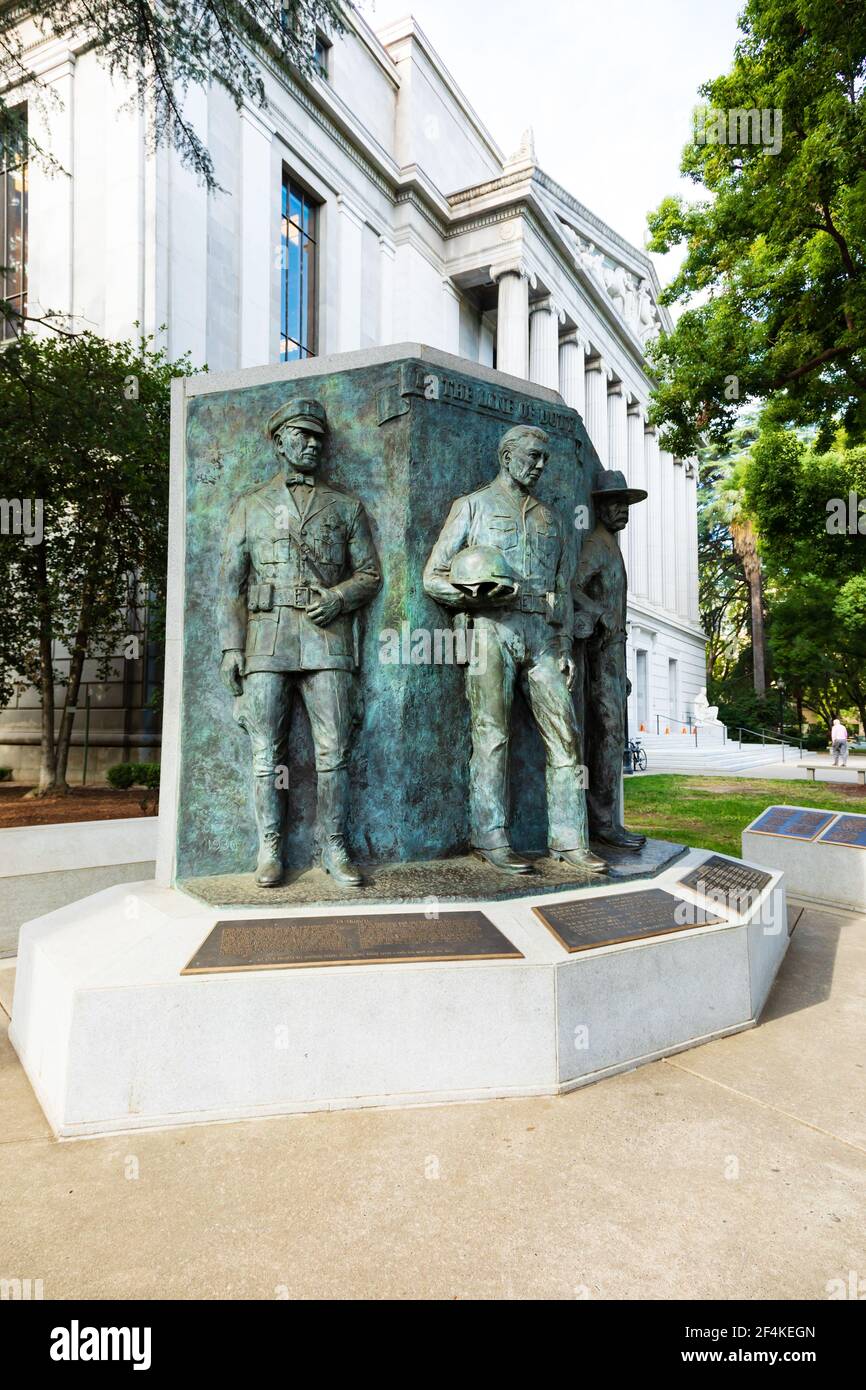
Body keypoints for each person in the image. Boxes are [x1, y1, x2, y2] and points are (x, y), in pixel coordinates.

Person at [423, 424, 605, 876]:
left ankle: (569, 841)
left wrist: (563, 643)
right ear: (507, 457)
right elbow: (433, 576)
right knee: (492, 735)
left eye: (544, 458)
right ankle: (490, 836)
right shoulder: (472, 506)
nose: (539, 465)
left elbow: (561, 589)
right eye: (532, 456)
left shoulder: (551, 520)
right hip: (491, 630)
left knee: (565, 737)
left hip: (543, 635)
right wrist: (472, 598)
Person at [218, 398, 381, 887]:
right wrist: (232, 648)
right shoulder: (248, 506)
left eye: (318, 437)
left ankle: (334, 846)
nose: (311, 444)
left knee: (335, 752)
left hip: (327, 640)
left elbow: (369, 575)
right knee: (266, 752)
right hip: (265, 640)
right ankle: (270, 848)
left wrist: (336, 598)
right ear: (279, 440)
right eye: (301, 435)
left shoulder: (346, 506)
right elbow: (230, 586)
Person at [572, 468, 648, 849]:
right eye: (615, 503)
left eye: (626, 504)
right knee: (607, 733)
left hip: (614, 656)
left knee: (613, 735)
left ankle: (605, 818)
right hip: (599, 653)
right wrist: (598, 613)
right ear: (600, 508)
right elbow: (571, 587)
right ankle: (601, 820)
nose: (623, 510)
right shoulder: (596, 546)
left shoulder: (611, 547)